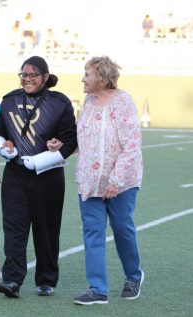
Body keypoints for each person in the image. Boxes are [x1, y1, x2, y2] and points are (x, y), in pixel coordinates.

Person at [0, 56, 77, 298]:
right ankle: (11, 280)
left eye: (33, 75)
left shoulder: (60, 103)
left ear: (45, 77)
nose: (27, 79)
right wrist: (3, 145)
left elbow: (70, 140)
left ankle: (46, 279)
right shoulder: (9, 100)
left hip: (48, 175)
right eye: (24, 75)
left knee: (46, 229)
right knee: (13, 229)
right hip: (15, 173)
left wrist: (55, 145)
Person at [72, 56, 143, 305]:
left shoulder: (123, 102)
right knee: (92, 232)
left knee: (122, 228)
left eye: (87, 74)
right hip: (90, 181)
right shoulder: (89, 102)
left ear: (102, 77)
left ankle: (134, 276)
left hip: (121, 182)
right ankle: (97, 289)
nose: (83, 78)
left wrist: (116, 180)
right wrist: (62, 147)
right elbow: (85, 139)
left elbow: (132, 144)